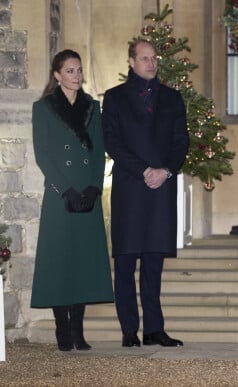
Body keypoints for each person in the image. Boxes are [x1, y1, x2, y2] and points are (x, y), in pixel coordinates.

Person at [102, 39, 190, 347]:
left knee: (154, 264)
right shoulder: (114, 98)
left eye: (154, 58)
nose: (151, 63)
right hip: (130, 187)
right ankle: (129, 330)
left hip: (160, 189)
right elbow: (112, 142)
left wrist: (165, 171)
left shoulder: (172, 98)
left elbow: (181, 141)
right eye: (144, 58)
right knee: (125, 264)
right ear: (131, 62)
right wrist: (143, 171)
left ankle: (154, 329)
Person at [31, 49, 114, 351]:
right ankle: (62, 329)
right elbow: (44, 155)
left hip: (87, 194)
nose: (76, 75)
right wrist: (65, 190)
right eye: (70, 70)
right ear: (56, 75)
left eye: (79, 70)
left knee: (82, 261)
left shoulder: (93, 106)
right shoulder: (43, 108)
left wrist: (94, 187)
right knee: (59, 261)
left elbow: (98, 150)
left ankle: (78, 331)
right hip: (59, 195)